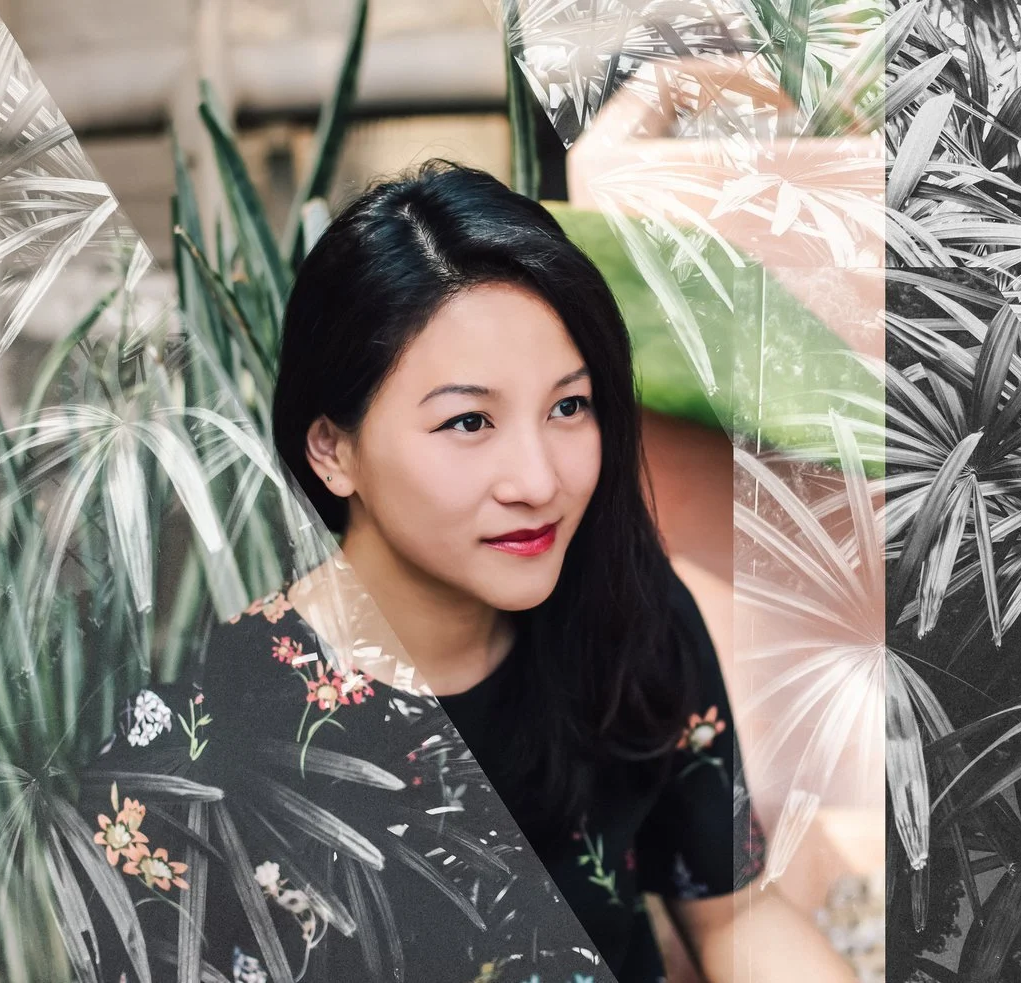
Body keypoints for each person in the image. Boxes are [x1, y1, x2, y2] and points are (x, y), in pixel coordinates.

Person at [90, 160, 854, 983]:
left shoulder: (629, 616)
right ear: (332, 449)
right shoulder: (200, 748)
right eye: (467, 421)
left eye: (569, 405)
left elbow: (733, 911)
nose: (537, 480)